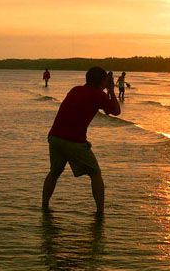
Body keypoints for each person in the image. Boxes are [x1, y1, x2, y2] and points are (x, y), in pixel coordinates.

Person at [42, 66, 121, 216]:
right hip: (73, 140)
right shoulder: (98, 95)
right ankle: (100, 213)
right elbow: (116, 111)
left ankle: (44, 206)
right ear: (101, 81)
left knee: (54, 172)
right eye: (105, 81)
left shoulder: (75, 90)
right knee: (95, 173)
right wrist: (111, 91)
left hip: (55, 137)